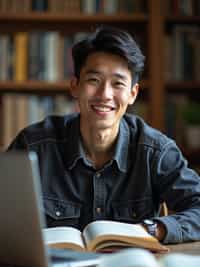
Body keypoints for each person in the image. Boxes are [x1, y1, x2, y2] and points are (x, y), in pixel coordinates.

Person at [7, 26, 200, 244]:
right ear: (75, 87)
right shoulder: (34, 145)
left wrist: (154, 229)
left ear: (132, 94)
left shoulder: (155, 151)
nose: (105, 95)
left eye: (118, 83)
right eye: (93, 81)